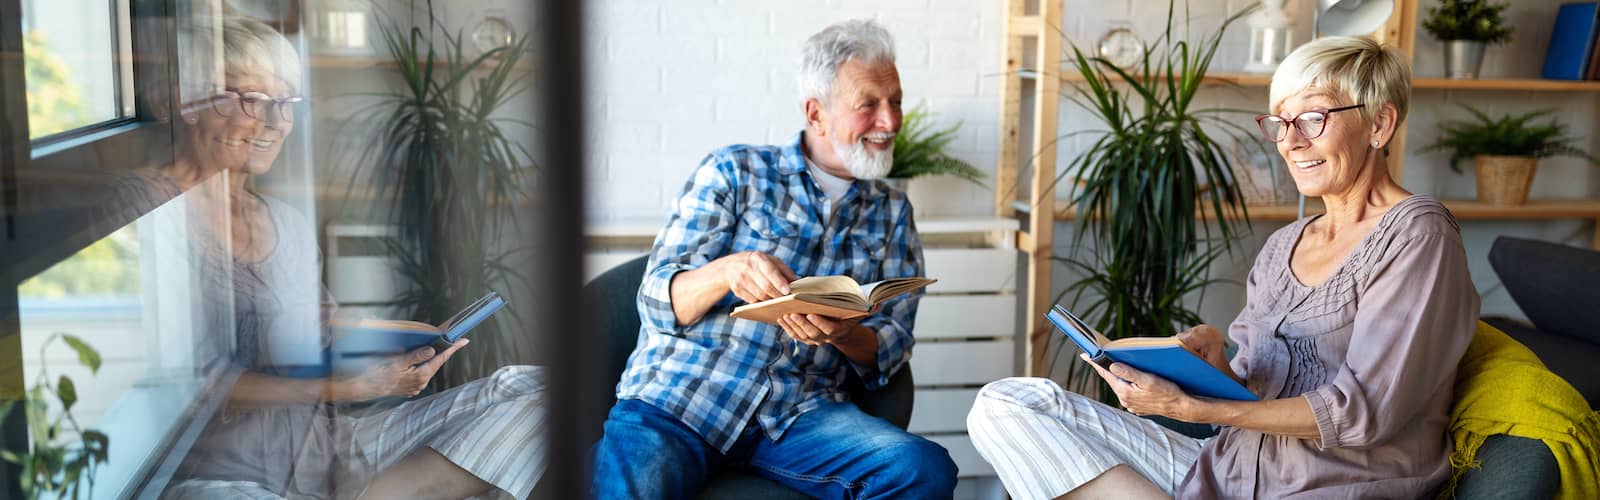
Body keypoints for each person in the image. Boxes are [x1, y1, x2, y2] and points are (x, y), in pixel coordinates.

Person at [967, 36, 1481, 499]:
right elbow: (1255, 393)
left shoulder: (1418, 236)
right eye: (1281, 122)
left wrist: (1194, 410)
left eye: (1313, 118)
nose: (1290, 141)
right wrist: (1215, 370)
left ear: (1379, 123)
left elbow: (1363, 411)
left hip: (1328, 487)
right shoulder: (1284, 246)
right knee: (1007, 404)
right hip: (1223, 475)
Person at [148, 17, 546, 500]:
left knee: (539, 392)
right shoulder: (152, 213)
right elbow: (189, 388)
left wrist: (406, 339)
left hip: (328, 451)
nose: (275, 124)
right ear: (187, 103)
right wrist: (347, 389)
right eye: (254, 100)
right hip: (224, 473)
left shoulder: (285, 223)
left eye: (287, 104)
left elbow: (322, 326)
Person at [590, 19, 958, 499]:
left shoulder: (893, 212)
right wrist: (728, 270)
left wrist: (847, 333)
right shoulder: (734, 170)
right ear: (816, 112)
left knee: (922, 469)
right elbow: (658, 300)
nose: (890, 121)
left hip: (802, 414)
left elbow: (890, 346)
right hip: (682, 397)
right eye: (868, 104)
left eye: (896, 101)